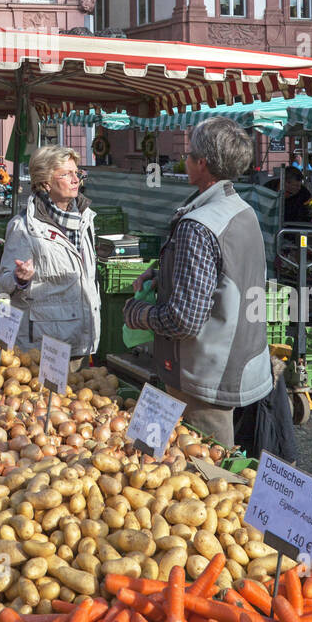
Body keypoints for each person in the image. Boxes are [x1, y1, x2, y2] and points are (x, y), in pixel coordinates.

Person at [122, 117, 272, 449]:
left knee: (206, 472)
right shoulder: (242, 211)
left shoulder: (199, 225)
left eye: (189, 155)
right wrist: (163, 274)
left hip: (204, 376)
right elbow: (224, 277)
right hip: (237, 362)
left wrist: (136, 313)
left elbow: (183, 319)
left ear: (202, 163)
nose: (185, 160)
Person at [0, 146, 100, 358]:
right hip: (45, 347)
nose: (75, 180)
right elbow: (3, 283)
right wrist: (20, 278)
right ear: (45, 183)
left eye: (77, 173)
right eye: (66, 174)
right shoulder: (24, 227)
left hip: (82, 341)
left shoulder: (85, 220)